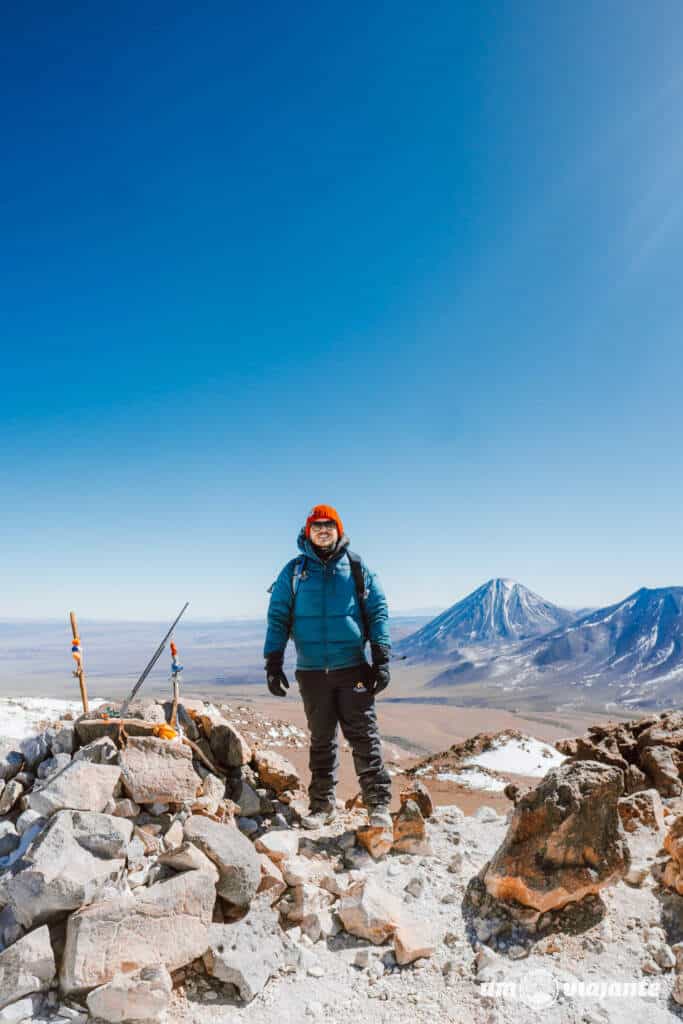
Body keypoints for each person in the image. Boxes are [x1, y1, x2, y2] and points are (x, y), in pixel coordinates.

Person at [264, 503, 393, 829]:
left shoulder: (356, 568)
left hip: (352, 668)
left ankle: (378, 805)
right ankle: (322, 806)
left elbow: (377, 611)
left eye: (329, 525)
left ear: (339, 530)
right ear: (308, 532)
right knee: (322, 740)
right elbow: (278, 616)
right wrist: (273, 660)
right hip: (311, 672)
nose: (323, 530)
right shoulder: (293, 572)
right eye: (317, 526)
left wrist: (380, 656)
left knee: (364, 736)